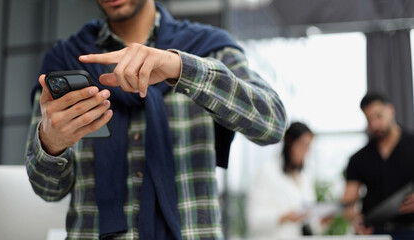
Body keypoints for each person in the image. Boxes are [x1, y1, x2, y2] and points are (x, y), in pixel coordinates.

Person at [24, 0, 287, 239]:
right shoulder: (64, 60)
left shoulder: (209, 47)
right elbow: (47, 190)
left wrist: (181, 68)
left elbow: (272, 124)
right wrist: (51, 143)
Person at [342, 91, 414, 240]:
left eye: (378, 116)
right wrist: (354, 218)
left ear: (390, 110)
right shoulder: (359, 158)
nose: (374, 124)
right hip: (376, 233)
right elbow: (348, 204)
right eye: (369, 119)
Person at [246, 122, 317, 239]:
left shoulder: (304, 177)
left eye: (308, 147)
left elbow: (310, 224)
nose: (305, 152)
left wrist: (322, 221)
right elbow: (253, 220)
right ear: (289, 143)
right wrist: (283, 218)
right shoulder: (268, 173)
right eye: (302, 145)